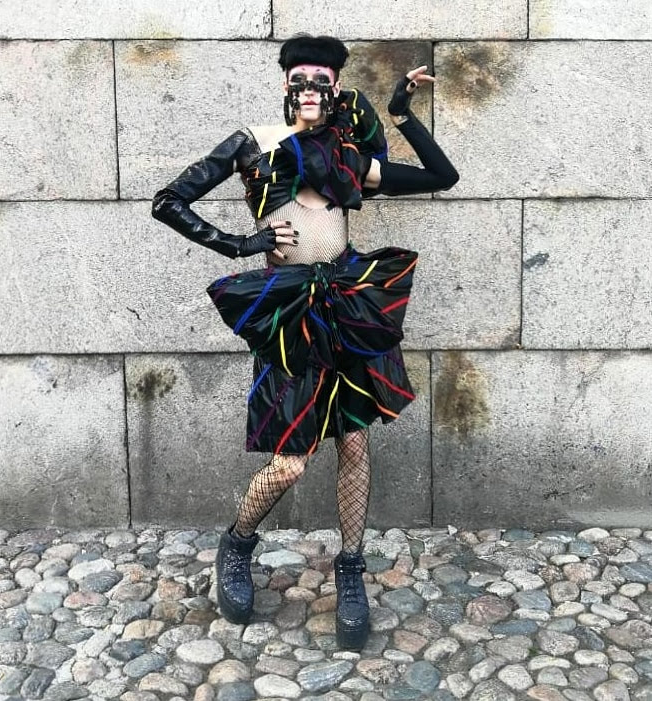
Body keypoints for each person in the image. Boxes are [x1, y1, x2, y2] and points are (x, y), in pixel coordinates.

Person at [151, 34, 459, 650]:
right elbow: (169, 201)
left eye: (323, 79)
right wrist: (240, 245)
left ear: (336, 88)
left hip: (349, 303)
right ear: (287, 85)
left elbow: (441, 176)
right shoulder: (253, 144)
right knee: (291, 459)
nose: (311, 88)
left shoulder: (348, 157)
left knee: (354, 442)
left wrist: (400, 113)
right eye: (301, 79)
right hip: (291, 313)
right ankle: (237, 544)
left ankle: (350, 567)